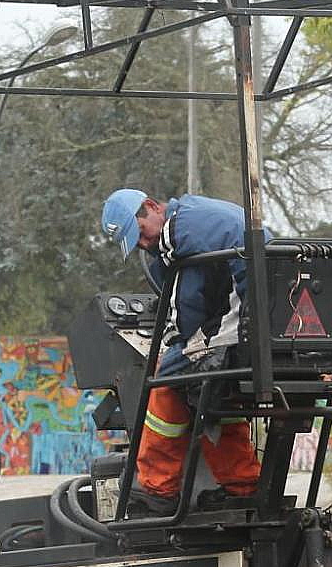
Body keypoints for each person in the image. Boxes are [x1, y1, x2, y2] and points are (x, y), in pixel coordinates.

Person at [99, 187, 261, 516]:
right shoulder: (196, 215)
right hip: (264, 320)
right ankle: (242, 484)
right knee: (214, 393)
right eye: (137, 242)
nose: (144, 244)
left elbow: (186, 307)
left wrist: (173, 345)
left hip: (242, 320)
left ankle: (157, 489)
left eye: (141, 233)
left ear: (151, 207)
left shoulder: (177, 230)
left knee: (165, 380)